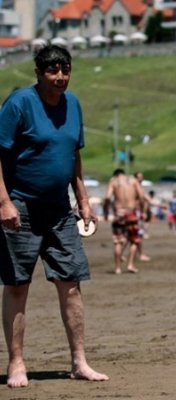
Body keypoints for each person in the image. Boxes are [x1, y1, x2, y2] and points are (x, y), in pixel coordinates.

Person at [0, 45, 109, 388]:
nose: (60, 77)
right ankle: (16, 363)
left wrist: (84, 200)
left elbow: (73, 155)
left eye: (65, 70)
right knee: (18, 285)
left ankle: (79, 362)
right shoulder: (19, 103)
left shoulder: (73, 104)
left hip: (61, 211)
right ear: (38, 72)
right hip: (21, 207)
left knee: (71, 284)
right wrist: (4, 203)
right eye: (52, 71)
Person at [104, 168, 147, 274]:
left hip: (119, 214)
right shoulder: (133, 181)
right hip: (131, 213)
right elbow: (141, 196)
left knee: (118, 242)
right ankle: (130, 265)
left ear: (115, 175)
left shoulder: (113, 182)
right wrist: (142, 211)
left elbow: (108, 197)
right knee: (134, 240)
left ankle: (118, 268)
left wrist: (106, 212)